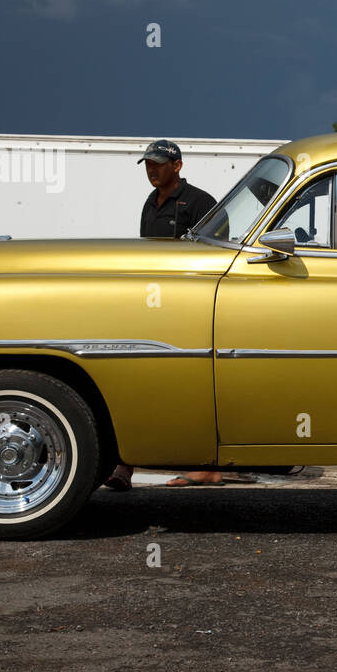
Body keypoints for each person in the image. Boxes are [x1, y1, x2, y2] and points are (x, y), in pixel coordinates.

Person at [104, 139, 222, 491]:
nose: (151, 169)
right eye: (147, 164)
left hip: (186, 309)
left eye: (157, 163)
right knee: (141, 384)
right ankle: (125, 466)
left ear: (178, 166)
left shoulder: (200, 202)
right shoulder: (149, 203)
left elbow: (214, 254)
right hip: (153, 307)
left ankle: (205, 468)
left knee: (187, 387)